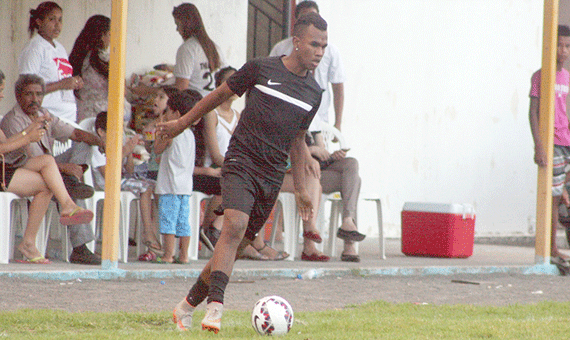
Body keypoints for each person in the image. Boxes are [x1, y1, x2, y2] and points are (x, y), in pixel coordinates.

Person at [159, 12, 327, 332]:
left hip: (273, 174)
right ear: (296, 42)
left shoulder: (313, 94)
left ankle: (185, 307)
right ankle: (216, 307)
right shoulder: (261, 68)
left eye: (324, 46)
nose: (320, 52)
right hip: (241, 161)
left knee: (235, 245)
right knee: (234, 224)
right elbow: (215, 97)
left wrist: (303, 188)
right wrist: (181, 123)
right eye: (314, 44)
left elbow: (297, 142)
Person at [1, 74, 105, 265]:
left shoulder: (43, 114)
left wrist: (101, 142)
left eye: (39, 94)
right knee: (52, 174)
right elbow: (23, 155)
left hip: (43, 167)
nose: (35, 99)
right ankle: (79, 243)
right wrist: (29, 133)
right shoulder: (12, 120)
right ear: (18, 96)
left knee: (82, 145)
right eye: (29, 94)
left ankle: (70, 186)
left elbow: (75, 133)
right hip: (19, 165)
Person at [87, 111, 159, 258]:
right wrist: (124, 151)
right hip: (106, 183)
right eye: (115, 130)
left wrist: (129, 153)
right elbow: (109, 175)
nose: (119, 134)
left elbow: (129, 171)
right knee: (145, 188)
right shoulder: (97, 148)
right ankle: (148, 233)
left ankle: (155, 233)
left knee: (155, 186)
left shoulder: (118, 144)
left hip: (122, 179)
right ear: (101, 132)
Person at [270, 0, 345, 132]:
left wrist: (338, 124)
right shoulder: (281, 48)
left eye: (315, 16)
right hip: (287, 119)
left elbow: (338, 87)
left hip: (320, 120)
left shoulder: (331, 51)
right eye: (306, 18)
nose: (319, 52)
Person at [529, 25, 570, 261]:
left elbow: (564, 111)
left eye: (567, 46)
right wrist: (539, 145)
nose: (563, 51)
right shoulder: (540, 76)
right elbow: (533, 112)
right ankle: (552, 248)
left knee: (561, 192)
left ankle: (563, 189)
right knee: (553, 199)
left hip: (566, 141)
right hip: (551, 142)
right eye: (559, 45)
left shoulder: (567, 77)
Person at [153, 91, 201, 263]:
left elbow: (157, 149)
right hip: (185, 187)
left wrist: (159, 130)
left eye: (168, 111)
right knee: (183, 222)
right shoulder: (190, 134)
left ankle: (168, 254)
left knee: (168, 221)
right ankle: (184, 255)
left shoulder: (170, 132)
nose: (165, 115)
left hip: (169, 186)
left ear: (177, 114)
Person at [18, 1, 83, 124]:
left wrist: (75, 83)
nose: (57, 25)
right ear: (39, 22)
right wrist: (61, 84)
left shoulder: (60, 48)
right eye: (52, 19)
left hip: (67, 116)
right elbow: (25, 88)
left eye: (60, 20)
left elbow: (62, 78)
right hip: (47, 116)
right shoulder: (34, 48)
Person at [308, 131, 365, 262]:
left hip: (321, 169)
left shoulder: (315, 121)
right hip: (304, 172)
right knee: (354, 182)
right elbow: (288, 151)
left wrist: (332, 156)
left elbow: (322, 154)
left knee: (352, 164)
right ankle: (349, 244)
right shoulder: (293, 114)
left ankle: (348, 221)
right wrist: (312, 150)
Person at [69, 15, 132, 124]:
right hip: (102, 120)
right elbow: (121, 91)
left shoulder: (78, 58)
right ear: (102, 36)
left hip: (82, 117)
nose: (111, 39)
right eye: (109, 34)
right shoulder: (105, 60)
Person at [171, 3, 225, 96]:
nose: (177, 29)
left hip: (195, 104)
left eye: (178, 24)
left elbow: (181, 88)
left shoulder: (187, 49)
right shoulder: (214, 47)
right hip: (213, 104)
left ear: (186, 24)